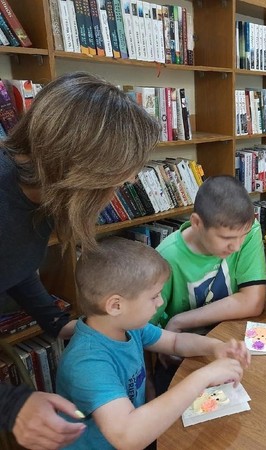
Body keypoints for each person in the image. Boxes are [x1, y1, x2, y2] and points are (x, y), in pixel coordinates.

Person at [0, 72, 162, 449]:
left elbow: (14, 261)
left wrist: (55, 321)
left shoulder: (38, 191)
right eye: (119, 182)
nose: (124, 186)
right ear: (84, 172)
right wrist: (10, 405)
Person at [56, 237, 249, 449]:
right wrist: (204, 376)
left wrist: (215, 347)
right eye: (154, 297)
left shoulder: (127, 325)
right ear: (115, 305)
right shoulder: (88, 362)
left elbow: (175, 341)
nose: (160, 302)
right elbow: (126, 436)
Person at [150, 175, 266, 393]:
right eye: (226, 238)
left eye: (242, 236)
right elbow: (142, 330)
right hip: (183, 353)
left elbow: (253, 301)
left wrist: (180, 320)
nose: (237, 246)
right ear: (196, 223)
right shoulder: (165, 258)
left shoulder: (246, 229)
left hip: (228, 342)